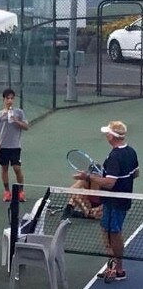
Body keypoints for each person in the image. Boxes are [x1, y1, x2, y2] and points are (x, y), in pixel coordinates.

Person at [74, 121, 139, 283]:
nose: (106, 135)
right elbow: (135, 173)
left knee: (114, 234)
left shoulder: (115, 156)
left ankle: (119, 270)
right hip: (120, 200)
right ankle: (112, 267)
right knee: (108, 232)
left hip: (114, 203)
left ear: (113, 136)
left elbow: (110, 183)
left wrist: (88, 177)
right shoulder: (130, 151)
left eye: (107, 133)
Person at [0, 88, 28, 202]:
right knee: (4, 168)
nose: (10, 101)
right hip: (3, 147)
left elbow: (26, 127)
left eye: (12, 98)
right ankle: (7, 192)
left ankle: (21, 192)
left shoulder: (19, 113)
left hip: (15, 147)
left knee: (17, 168)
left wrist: (17, 121)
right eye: (8, 98)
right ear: (4, 99)